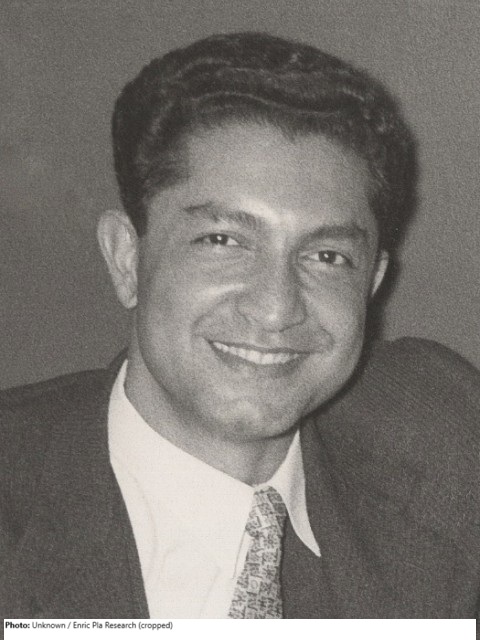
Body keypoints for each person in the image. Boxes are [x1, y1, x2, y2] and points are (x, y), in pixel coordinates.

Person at [1, 32, 479, 620]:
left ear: (372, 283)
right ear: (127, 258)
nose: (276, 309)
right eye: (223, 240)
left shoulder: (443, 443)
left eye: (326, 256)